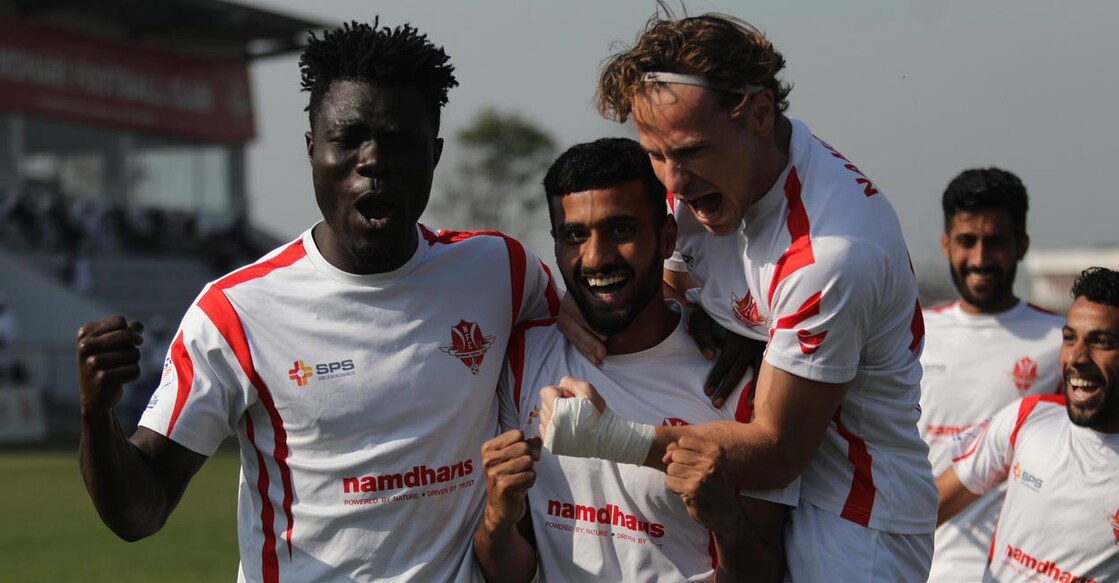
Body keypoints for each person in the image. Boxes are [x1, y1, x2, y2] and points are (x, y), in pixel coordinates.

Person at [75, 19, 558, 582]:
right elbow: (140, 511)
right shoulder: (236, 313)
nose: (373, 160)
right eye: (348, 139)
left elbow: (598, 340)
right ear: (312, 149)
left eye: (399, 141)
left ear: (434, 154)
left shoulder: (502, 272)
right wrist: (97, 413)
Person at [545, 13, 938, 581]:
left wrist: (607, 438)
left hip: (850, 512)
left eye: (691, 151)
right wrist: (582, 301)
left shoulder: (829, 254)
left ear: (759, 114)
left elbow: (777, 451)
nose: (672, 181)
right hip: (764, 493)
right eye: (655, 153)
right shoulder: (706, 179)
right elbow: (669, 286)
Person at [473, 138, 793, 582]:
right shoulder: (524, 355)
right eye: (575, 235)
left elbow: (766, 573)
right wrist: (497, 518)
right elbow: (510, 572)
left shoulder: (738, 376)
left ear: (667, 238)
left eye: (621, 230)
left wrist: (726, 520)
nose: (596, 258)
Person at [919, 168, 1065, 581]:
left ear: (1022, 245)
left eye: (996, 242)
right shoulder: (911, 334)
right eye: (967, 241)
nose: (980, 259)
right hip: (914, 566)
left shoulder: (1063, 341)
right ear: (946, 244)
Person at [938, 266, 1119, 581]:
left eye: (1101, 342)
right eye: (1070, 338)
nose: (1077, 357)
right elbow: (924, 510)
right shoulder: (1029, 417)